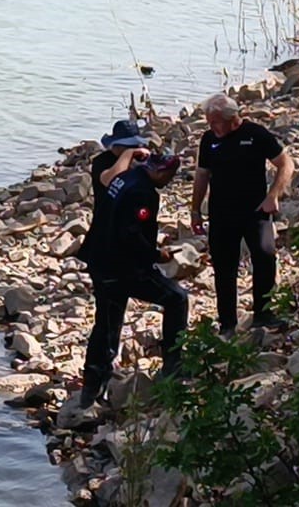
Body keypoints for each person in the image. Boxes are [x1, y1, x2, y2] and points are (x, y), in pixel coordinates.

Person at [73, 148, 189, 410]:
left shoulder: (124, 178)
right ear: (159, 171)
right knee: (176, 299)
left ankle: (91, 389)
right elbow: (131, 235)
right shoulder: (143, 192)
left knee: (106, 323)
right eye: (169, 175)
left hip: (99, 259)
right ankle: (173, 366)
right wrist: (156, 254)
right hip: (121, 267)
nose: (170, 181)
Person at [191, 93, 295, 336]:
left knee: (265, 255)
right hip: (221, 213)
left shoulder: (255, 134)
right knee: (224, 267)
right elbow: (202, 175)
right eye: (208, 121)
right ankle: (227, 323)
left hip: (255, 210)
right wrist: (195, 210)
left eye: (215, 121)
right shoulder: (209, 139)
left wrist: (273, 195)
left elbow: (286, 164)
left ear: (232, 118)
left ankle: (264, 313)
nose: (211, 126)